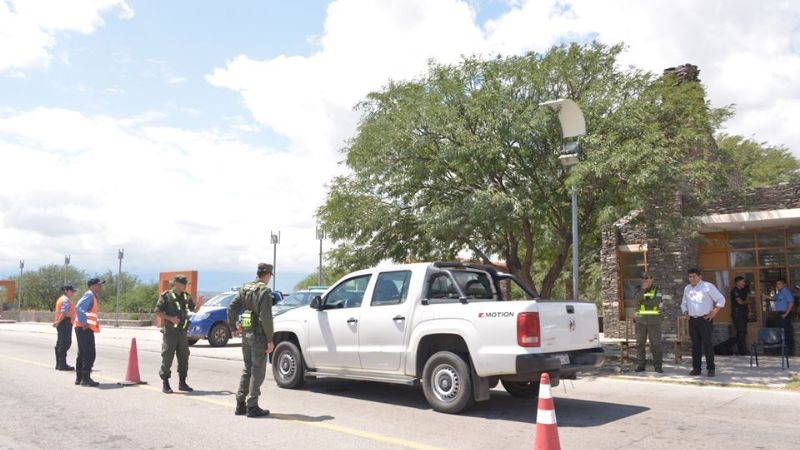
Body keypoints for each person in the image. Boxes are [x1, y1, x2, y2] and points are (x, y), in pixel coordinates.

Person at [228, 263, 274, 418]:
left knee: (247, 368)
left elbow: (231, 307)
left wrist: (233, 327)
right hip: (259, 337)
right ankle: (252, 405)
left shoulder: (245, 288)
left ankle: (240, 403)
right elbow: (266, 318)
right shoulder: (264, 291)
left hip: (246, 335)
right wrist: (270, 339)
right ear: (267, 275)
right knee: (257, 371)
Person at [154, 274, 197, 394]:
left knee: (184, 357)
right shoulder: (166, 296)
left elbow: (194, 309)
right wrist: (170, 318)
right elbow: (157, 311)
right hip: (170, 332)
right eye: (184, 284)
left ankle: (182, 383)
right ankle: (165, 383)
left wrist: (198, 305)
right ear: (177, 284)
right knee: (167, 357)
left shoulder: (186, 296)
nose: (185, 286)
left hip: (182, 333)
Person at [680, 268, 726, 377]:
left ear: (700, 276)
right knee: (695, 345)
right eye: (690, 277)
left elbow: (721, 299)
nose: (692, 279)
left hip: (705, 319)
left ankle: (711, 369)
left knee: (707, 345)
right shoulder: (687, 288)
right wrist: (685, 311)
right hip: (692, 320)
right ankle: (696, 368)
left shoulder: (707, 286)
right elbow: (684, 303)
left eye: (694, 276)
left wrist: (715, 311)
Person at [74, 278, 104, 387]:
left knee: (82, 353)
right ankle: (85, 379)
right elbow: (78, 307)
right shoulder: (89, 295)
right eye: (98, 285)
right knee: (89, 353)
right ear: (92, 286)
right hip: (84, 328)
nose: (100, 287)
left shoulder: (91, 295)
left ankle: (80, 378)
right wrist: (84, 322)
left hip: (83, 328)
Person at [634, 273, 663, 373]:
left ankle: (658, 366)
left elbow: (656, 302)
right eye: (642, 278)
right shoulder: (638, 289)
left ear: (652, 279)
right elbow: (636, 300)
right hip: (640, 321)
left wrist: (642, 302)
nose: (644, 280)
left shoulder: (657, 290)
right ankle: (640, 365)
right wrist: (642, 290)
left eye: (646, 278)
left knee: (656, 344)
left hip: (654, 321)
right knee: (639, 344)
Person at [53, 285, 76, 371]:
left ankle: (59, 364)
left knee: (60, 343)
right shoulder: (66, 300)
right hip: (65, 322)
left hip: (62, 323)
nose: (73, 292)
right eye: (72, 291)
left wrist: (57, 322)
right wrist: (58, 322)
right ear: (66, 291)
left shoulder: (61, 299)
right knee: (65, 343)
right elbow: (64, 313)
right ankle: (62, 365)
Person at [773, 279, 795, 355]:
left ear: (783, 285)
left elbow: (791, 302)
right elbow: (773, 298)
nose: (777, 285)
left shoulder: (786, 291)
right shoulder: (780, 293)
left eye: (779, 283)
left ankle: (788, 350)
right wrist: (762, 294)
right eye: (777, 284)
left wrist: (786, 314)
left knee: (786, 332)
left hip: (784, 314)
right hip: (779, 314)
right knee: (780, 332)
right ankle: (781, 350)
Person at [730, 276, 750, 356]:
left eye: (744, 282)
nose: (744, 283)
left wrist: (749, 311)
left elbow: (746, 301)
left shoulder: (744, 290)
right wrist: (747, 301)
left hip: (744, 313)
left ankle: (741, 350)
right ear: (737, 283)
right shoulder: (735, 291)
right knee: (740, 332)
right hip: (737, 314)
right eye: (742, 282)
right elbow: (740, 302)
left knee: (743, 332)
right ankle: (742, 350)